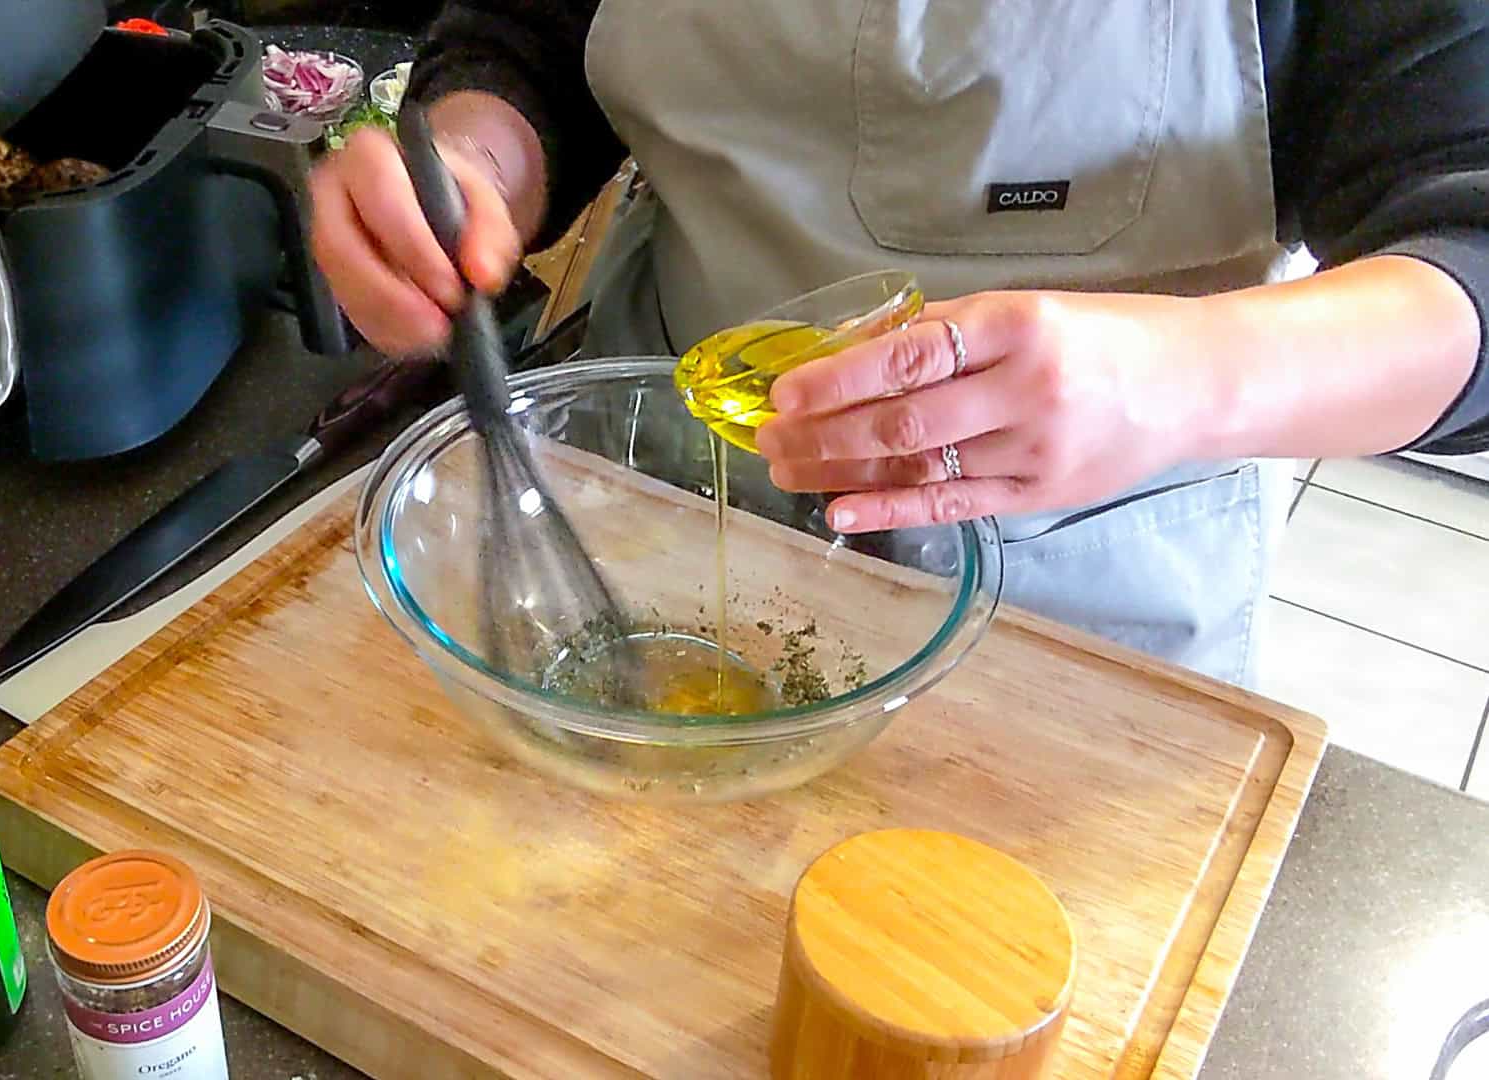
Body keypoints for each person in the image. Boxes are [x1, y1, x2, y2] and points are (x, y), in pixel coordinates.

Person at [309, 0, 1489, 688]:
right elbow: (534, 27)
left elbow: (1466, 249)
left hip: (1070, 596)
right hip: (655, 492)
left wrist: (1179, 378)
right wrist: (477, 169)